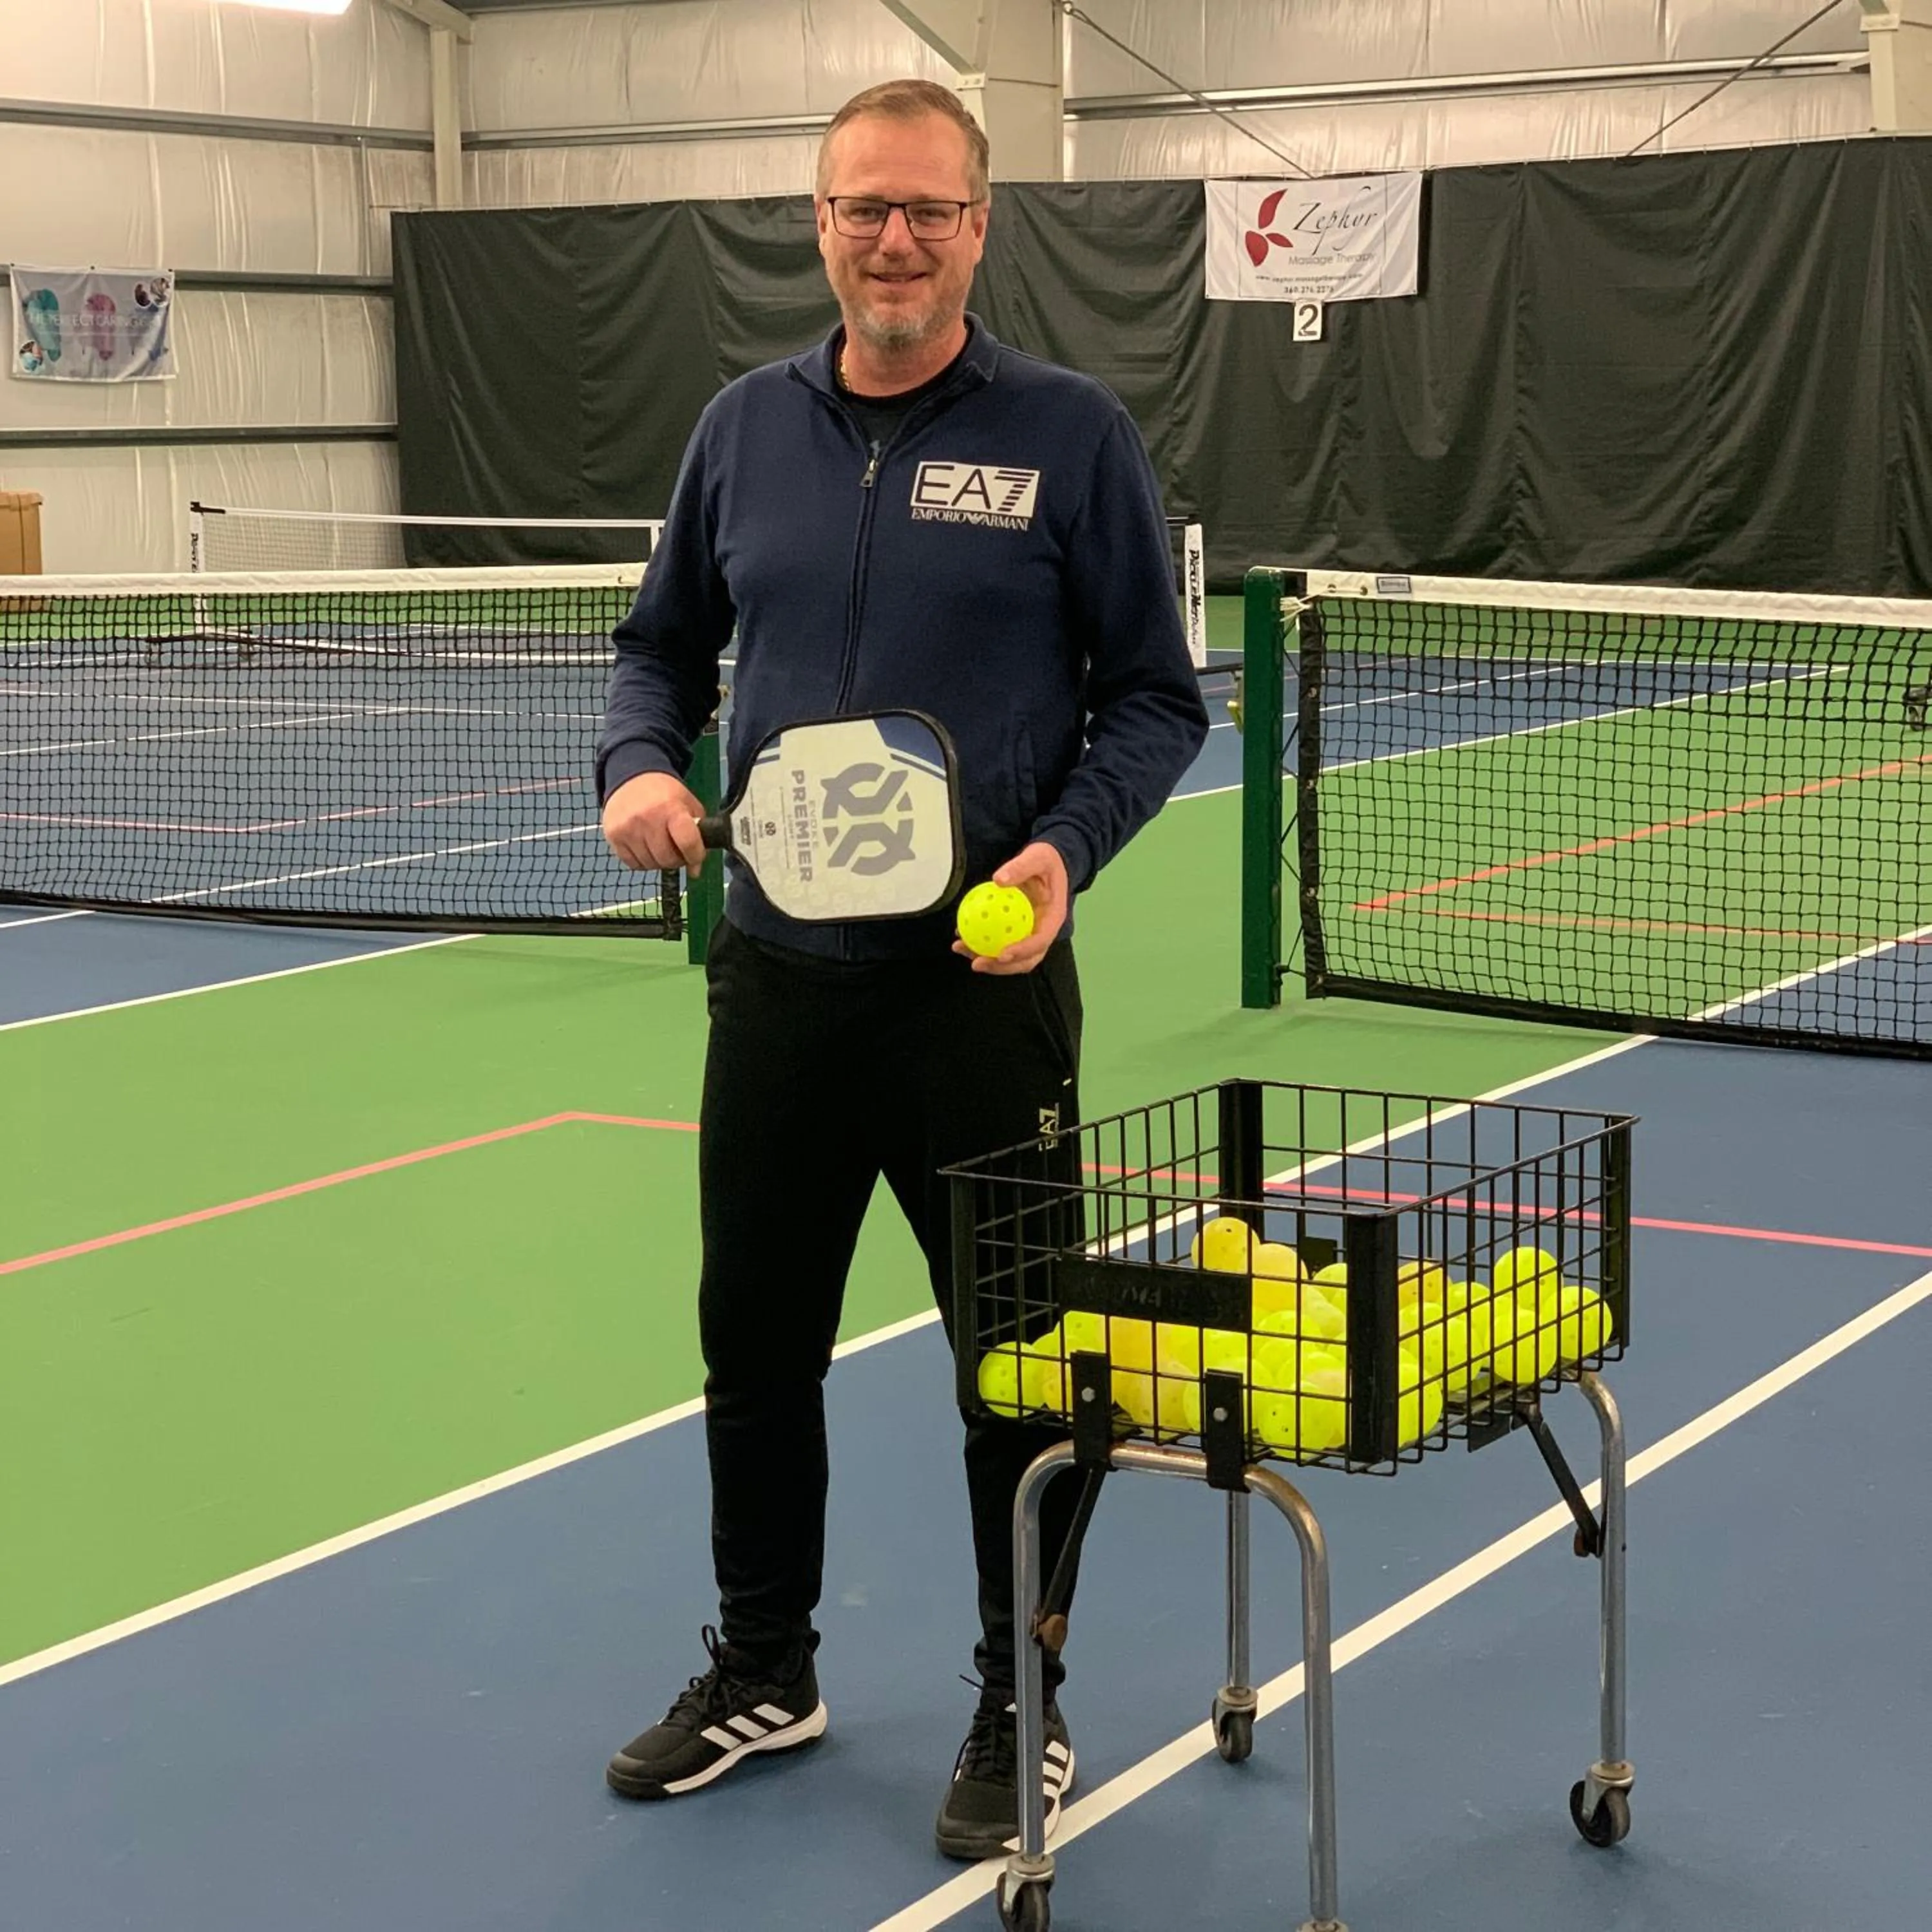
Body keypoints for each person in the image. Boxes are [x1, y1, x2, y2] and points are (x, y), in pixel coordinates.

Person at [595, 77, 1208, 1859]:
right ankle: (764, 1669)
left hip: (978, 1005)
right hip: (777, 985)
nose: (896, 239)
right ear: (820, 223)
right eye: (866, 206)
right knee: (754, 1346)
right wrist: (637, 765)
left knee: (1018, 1369)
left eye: (930, 209)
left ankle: (1025, 1700)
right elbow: (658, 653)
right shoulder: (742, 430)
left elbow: (1156, 698)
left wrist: (1062, 849)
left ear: (979, 228)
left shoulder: (1071, 434)